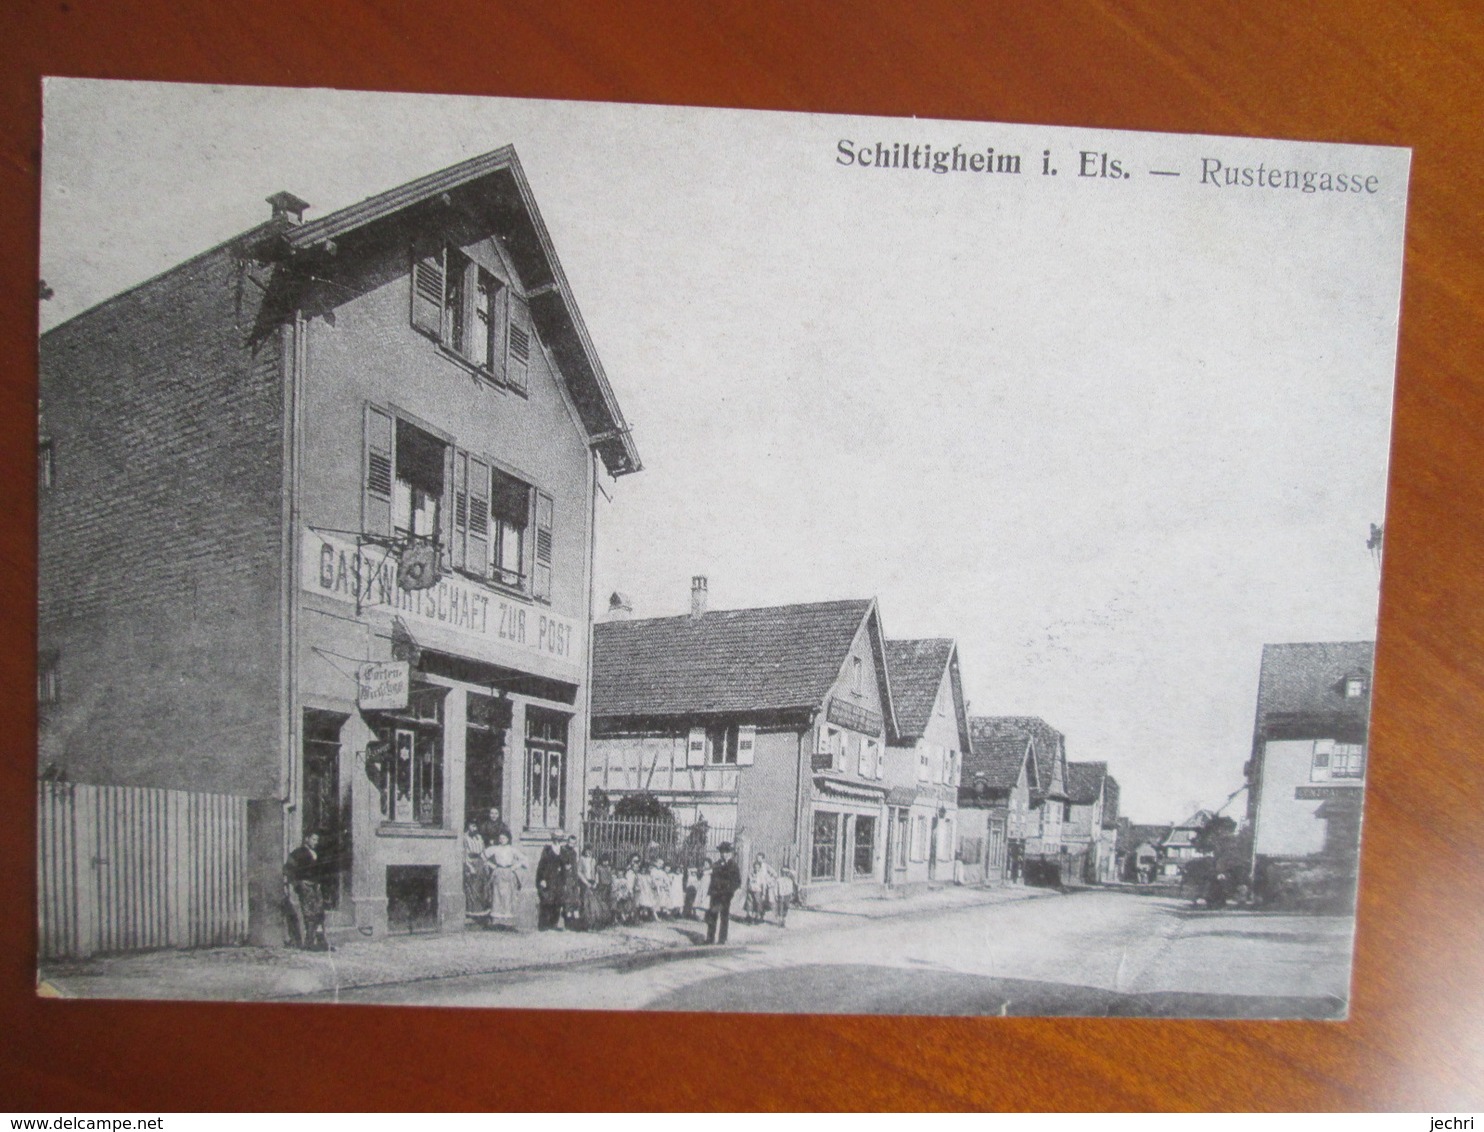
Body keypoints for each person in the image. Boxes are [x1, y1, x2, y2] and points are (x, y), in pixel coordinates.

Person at [283, 831, 328, 951]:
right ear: (306, 839)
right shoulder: (298, 853)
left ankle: (320, 940)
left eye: (317, 840)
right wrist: (295, 883)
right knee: (309, 913)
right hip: (305, 884)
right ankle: (309, 941)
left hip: (315, 885)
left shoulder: (317, 853)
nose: (315, 842)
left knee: (319, 911)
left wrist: (319, 883)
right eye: (313, 839)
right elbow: (288, 869)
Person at [483, 831, 526, 929]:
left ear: (508, 839)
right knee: (497, 895)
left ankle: (508, 922)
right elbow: (483, 856)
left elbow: (523, 859)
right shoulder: (495, 849)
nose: (502, 840)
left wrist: (514, 867)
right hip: (498, 872)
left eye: (504, 838)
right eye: (501, 838)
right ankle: (497, 922)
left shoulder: (512, 849)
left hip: (508, 873)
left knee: (508, 896)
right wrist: (492, 866)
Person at [705, 842, 742, 945]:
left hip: (725, 895)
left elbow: (737, 881)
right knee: (712, 915)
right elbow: (712, 877)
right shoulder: (716, 864)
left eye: (726, 852)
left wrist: (730, 891)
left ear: (729, 853)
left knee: (724, 917)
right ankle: (710, 938)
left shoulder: (733, 865)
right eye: (722, 852)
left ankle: (722, 939)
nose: (724, 854)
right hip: (715, 894)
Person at [535, 831, 565, 931]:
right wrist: (542, 879)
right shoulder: (547, 849)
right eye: (556, 837)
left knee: (558, 900)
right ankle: (543, 925)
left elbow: (565, 865)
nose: (558, 839)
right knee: (547, 900)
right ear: (553, 838)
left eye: (560, 837)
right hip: (548, 877)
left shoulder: (563, 849)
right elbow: (542, 865)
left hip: (559, 878)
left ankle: (554, 924)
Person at [463, 820, 491, 918]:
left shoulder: (479, 837)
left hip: (480, 862)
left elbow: (483, 851)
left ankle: (481, 911)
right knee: (472, 887)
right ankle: (472, 911)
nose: (474, 828)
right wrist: (469, 867)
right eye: (472, 826)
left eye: (475, 826)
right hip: (471, 862)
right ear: (468, 826)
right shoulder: (464, 838)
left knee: (481, 887)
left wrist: (485, 864)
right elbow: (464, 853)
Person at [560, 833, 584, 930]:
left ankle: (575, 924)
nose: (571, 845)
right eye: (570, 842)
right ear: (567, 842)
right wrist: (565, 867)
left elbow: (575, 867)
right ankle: (568, 923)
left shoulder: (574, 852)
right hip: (566, 878)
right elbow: (562, 863)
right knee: (568, 900)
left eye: (573, 843)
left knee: (575, 900)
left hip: (573, 879)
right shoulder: (563, 850)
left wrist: (576, 880)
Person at [745, 852, 776, 925]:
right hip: (755, 886)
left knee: (762, 902)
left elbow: (774, 874)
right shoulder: (755, 866)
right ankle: (751, 916)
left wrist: (769, 880)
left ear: (763, 859)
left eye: (759, 858)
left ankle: (760, 917)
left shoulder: (766, 866)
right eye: (757, 858)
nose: (758, 859)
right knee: (751, 902)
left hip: (763, 886)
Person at [612, 854, 639, 925]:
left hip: (627, 891)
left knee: (630, 904)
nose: (635, 863)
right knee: (622, 904)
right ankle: (622, 917)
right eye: (634, 861)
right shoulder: (628, 871)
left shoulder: (634, 871)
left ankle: (629, 918)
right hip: (622, 892)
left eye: (637, 861)